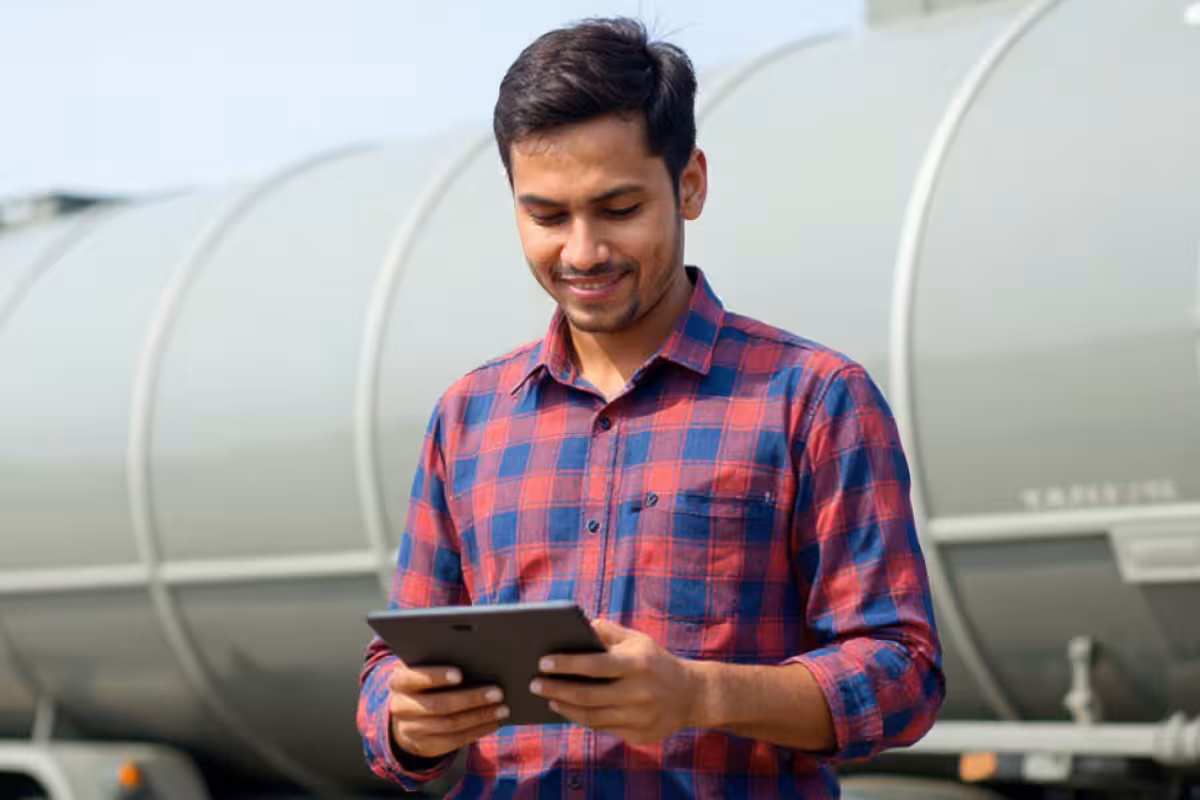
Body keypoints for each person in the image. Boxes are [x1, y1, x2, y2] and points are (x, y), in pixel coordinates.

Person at [357, 16, 944, 798]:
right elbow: (391, 670)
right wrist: (406, 722)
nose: (583, 250)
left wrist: (700, 694)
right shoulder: (469, 418)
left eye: (618, 208)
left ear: (690, 184)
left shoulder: (813, 400)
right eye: (547, 216)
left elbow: (902, 673)